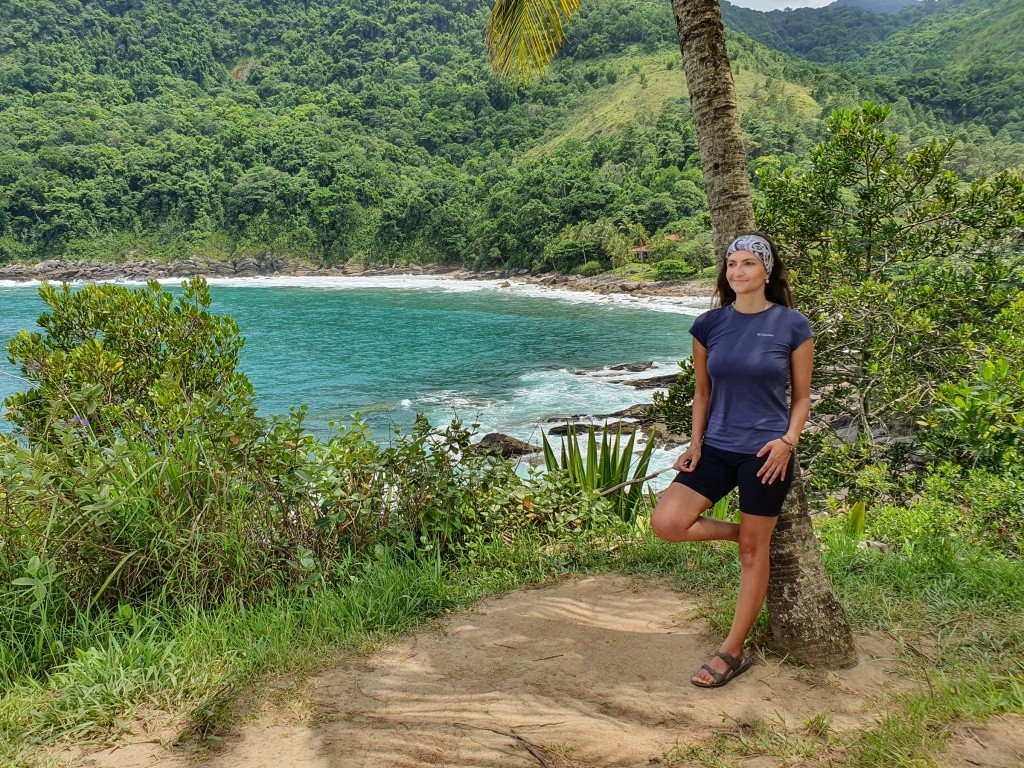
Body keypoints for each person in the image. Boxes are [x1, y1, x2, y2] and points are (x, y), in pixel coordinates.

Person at [651, 232, 814, 689]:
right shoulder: (708, 325)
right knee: (667, 523)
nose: (737, 272)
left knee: (751, 556)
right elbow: (702, 393)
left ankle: (732, 651)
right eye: (731, 264)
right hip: (717, 447)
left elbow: (801, 398)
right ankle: (749, 537)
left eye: (747, 263)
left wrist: (788, 441)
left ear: (766, 271)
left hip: (767, 454)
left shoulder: (792, 325)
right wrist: (694, 444)